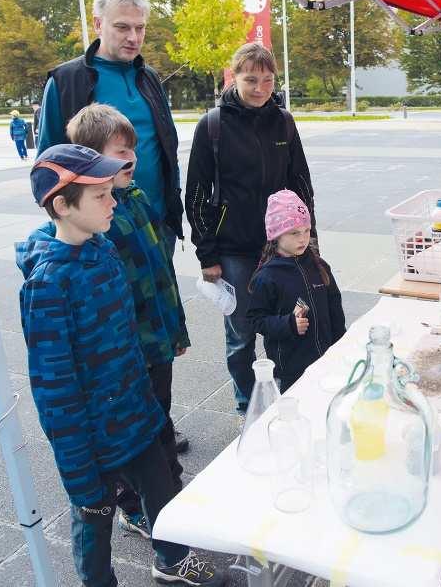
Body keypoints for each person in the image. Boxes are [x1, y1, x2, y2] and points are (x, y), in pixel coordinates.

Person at [16, 144, 227, 587]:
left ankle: (171, 560)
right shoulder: (48, 285)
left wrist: (148, 402)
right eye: (100, 196)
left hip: (136, 410)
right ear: (62, 206)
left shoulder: (104, 249)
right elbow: (53, 389)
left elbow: (128, 337)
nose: (114, 202)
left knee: (162, 489)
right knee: (93, 516)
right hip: (92, 435)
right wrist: (78, 468)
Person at [63, 103, 190, 539]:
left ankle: (166, 487)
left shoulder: (136, 199)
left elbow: (161, 272)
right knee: (133, 432)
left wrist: (177, 328)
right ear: (91, 159)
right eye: (120, 152)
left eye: (132, 149)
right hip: (129, 349)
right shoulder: (99, 219)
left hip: (158, 339)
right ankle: (133, 504)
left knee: (159, 415)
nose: (131, 158)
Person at [186, 42, 315, 413]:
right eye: (251, 79)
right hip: (235, 249)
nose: (260, 88)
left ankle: (286, 390)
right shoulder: (213, 126)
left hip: (281, 246)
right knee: (241, 333)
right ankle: (249, 404)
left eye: (268, 79)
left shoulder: (284, 122)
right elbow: (195, 194)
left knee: (290, 322)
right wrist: (207, 255)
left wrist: (310, 235)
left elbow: (301, 183)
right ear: (234, 77)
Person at [36, 0, 184, 255]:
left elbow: (166, 150)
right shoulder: (65, 81)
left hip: (157, 223)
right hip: (101, 233)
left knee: (161, 298)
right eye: (122, 27)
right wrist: (73, 230)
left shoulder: (149, 77)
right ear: (98, 24)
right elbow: (47, 164)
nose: (133, 37)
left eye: (140, 28)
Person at [247, 190, 345, 393]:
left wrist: (340, 345)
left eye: (306, 231)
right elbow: (256, 319)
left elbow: (335, 308)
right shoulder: (267, 276)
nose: (303, 239)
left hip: (326, 358)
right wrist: (288, 324)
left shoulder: (319, 266)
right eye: (294, 233)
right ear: (276, 235)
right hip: (291, 368)